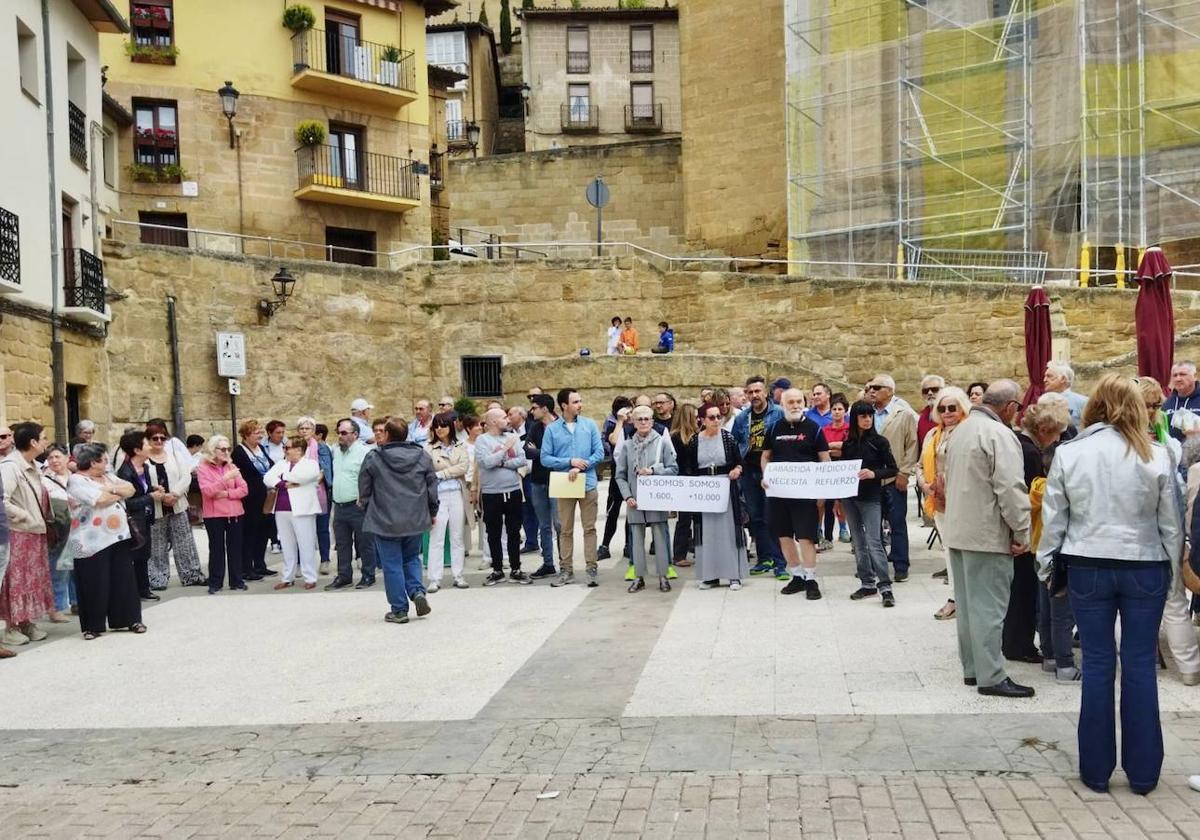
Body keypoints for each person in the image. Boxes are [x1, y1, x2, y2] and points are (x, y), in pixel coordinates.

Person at [1039, 373, 1181, 794]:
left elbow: (1055, 519)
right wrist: (1173, 578)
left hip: (1088, 562)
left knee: (1099, 664)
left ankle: (1096, 771)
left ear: (1095, 404)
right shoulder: (1155, 454)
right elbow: (1169, 523)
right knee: (1139, 665)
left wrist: (1048, 568)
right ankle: (1143, 773)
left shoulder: (1070, 452)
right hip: (1144, 564)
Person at [943, 380, 1034, 698]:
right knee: (989, 609)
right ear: (1010, 407)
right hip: (986, 532)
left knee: (968, 607)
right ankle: (991, 675)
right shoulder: (999, 434)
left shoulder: (961, 430)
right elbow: (1010, 488)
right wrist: (1022, 530)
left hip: (960, 530)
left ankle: (973, 668)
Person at [1021, 400, 1081, 683]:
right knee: (1061, 613)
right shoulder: (1055, 490)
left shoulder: (1036, 486)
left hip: (1038, 552)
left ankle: (1048, 656)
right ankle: (1064, 663)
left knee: (1043, 609)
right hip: (1059, 553)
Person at [359, 416, 437, 624]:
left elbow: (364, 489)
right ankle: (417, 592)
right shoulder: (421, 455)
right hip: (415, 517)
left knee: (391, 563)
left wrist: (367, 507)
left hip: (385, 518)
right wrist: (432, 510)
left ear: (387, 434)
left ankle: (399, 609)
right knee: (412, 558)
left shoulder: (374, 457)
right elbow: (431, 486)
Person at [65, 444, 145, 641]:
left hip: (118, 536)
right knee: (93, 582)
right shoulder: (76, 480)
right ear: (93, 462)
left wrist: (113, 489)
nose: (107, 463)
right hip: (89, 540)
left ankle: (129, 619)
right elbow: (99, 500)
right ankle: (93, 626)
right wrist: (116, 492)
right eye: (104, 459)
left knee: (123, 579)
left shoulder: (108, 476)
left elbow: (132, 488)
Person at [764, 388, 831, 599]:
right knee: (784, 536)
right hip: (779, 493)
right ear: (783, 405)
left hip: (806, 494)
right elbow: (766, 456)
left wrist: (822, 489)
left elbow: (825, 458)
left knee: (806, 537)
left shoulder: (814, 428)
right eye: (791, 402)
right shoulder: (773, 428)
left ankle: (811, 579)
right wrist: (766, 475)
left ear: (804, 403)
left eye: (799, 401)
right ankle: (797, 576)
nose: (795, 405)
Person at [918, 387, 972, 621]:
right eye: (943, 408)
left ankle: (969, 597)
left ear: (962, 408)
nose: (948, 412)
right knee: (949, 550)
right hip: (940, 502)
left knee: (968, 552)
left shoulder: (969, 432)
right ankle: (954, 597)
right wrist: (925, 485)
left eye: (953, 407)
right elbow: (919, 466)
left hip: (966, 502)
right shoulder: (933, 435)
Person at [541, 389, 605, 587]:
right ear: (563, 405)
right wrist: (569, 461)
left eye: (580, 401)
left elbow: (600, 453)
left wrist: (581, 465)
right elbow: (545, 458)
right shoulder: (552, 429)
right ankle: (566, 569)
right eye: (575, 401)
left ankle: (591, 568)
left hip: (587, 482)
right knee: (565, 529)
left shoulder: (589, 425)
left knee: (590, 528)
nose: (580, 404)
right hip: (565, 484)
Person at [0, 423, 54, 647]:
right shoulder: (10, 467)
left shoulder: (33, 464)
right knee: (16, 581)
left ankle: (25, 621)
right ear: (32, 442)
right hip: (18, 533)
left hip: (34, 532)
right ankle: (10, 626)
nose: (46, 441)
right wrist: (25, 516)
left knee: (30, 580)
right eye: (43, 437)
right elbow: (3, 500)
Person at [615, 405, 679, 592]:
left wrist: (653, 471)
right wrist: (627, 496)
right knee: (636, 538)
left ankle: (663, 576)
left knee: (660, 536)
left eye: (647, 419)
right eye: (639, 419)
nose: (643, 422)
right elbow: (620, 475)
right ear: (633, 422)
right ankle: (638, 577)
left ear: (652, 421)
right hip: (635, 499)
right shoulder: (627, 445)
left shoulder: (662, 443)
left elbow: (674, 469)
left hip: (656, 499)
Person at [841, 401, 899, 606]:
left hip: (872, 497)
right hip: (850, 497)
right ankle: (867, 583)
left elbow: (892, 468)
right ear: (855, 419)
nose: (867, 419)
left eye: (869, 416)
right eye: (862, 416)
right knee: (857, 541)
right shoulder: (847, 444)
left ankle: (885, 585)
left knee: (874, 542)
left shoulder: (880, 442)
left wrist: (874, 473)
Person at [685, 402, 748, 589]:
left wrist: (737, 470)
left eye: (718, 416)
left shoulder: (728, 438)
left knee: (728, 530)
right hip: (704, 489)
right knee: (707, 532)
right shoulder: (695, 441)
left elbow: (739, 461)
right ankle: (710, 575)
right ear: (703, 420)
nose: (716, 420)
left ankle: (733, 574)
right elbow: (689, 467)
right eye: (711, 417)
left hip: (725, 487)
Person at [733, 376, 786, 578]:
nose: (754, 395)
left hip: (771, 471)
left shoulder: (779, 413)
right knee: (756, 518)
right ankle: (764, 559)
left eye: (757, 391)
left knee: (773, 516)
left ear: (765, 393)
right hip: (749, 471)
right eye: (750, 392)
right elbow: (737, 442)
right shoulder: (742, 418)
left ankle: (780, 561)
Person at [868, 374, 919, 582]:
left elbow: (912, 445)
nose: (872, 390)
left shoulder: (903, 414)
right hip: (871, 479)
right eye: (870, 387)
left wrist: (904, 473)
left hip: (894, 478)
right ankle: (875, 565)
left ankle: (900, 564)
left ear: (889, 390)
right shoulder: (866, 414)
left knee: (897, 523)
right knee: (873, 526)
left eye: (877, 387)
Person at [144, 420, 206, 590]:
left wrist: (175, 494)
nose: (158, 441)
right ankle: (157, 578)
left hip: (177, 504)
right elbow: (141, 481)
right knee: (157, 545)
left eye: (162, 438)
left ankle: (191, 574)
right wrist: (161, 496)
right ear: (148, 439)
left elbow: (185, 476)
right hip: (156, 507)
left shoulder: (174, 455)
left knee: (184, 541)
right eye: (154, 438)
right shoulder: (144, 459)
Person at [476, 408, 532, 586]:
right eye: (503, 417)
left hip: (513, 490)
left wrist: (501, 462)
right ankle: (497, 569)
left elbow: (522, 460)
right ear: (493, 421)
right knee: (493, 532)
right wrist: (505, 451)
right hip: (491, 493)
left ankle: (516, 568)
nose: (508, 420)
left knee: (514, 531)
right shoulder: (482, 440)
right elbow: (486, 462)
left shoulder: (512, 437)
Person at [263, 437, 322, 590]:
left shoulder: (310, 464)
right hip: (282, 508)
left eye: (287, 447)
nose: (285, 450)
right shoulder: (282, 463)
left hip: (302, 509)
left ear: (298, 449)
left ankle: (310, 576)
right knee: (287, 544)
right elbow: (267, 477)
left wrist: (283, 477)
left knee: (306, 543)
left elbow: (303, 477)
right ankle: (287, 576)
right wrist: (283, 483)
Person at [327, 418, 376, 590]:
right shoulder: (337, 452)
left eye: (344, 433)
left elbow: (372, 478)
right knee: (342, 543)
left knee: (364, 542)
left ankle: (368, 575)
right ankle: (344, 576)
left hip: (358, 505)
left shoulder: (365, 452)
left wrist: (365, 497)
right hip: (339, 505)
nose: (339, 436)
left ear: (355, 435)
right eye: (338, 432)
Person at [197, 435, 249, 594]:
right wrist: (225, 479)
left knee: (235, 548)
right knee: (217, 549)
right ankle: (215, 583)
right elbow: (207, 492)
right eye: (223, 449)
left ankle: (237, 580)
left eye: (228, 449)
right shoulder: (203, 468)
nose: (227, 452)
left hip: (235, 513)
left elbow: (244, 489)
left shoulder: (232, 466)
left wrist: (226, 493)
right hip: (214, 515)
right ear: (213, 450)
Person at [425, 412, 469, 592]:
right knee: (437, 536)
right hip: (438, 496)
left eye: (443, 425)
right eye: (436, 426)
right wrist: (451, 470)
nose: (439, 429)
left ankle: (458, 574)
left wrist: (441, 473)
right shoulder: (428, 448)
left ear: (450, 426)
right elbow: (427, 471)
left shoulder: (460, 445)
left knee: (457, 535)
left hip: (457, 492)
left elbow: (464, 467)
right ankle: (434, 578)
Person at [116, 430, 158, 601]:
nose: (150, 446)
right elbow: (127, 502)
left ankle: (144, 588)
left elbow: (143, 489)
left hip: (146, 518)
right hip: (134, 520)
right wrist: (150, 497)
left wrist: (152, 490)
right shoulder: (125, 472)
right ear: (137, 450)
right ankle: (133, 590)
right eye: (146, 443)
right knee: (134, 555)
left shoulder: (145, 467)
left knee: (144, 554)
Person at [231, 420, 276, 580]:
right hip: (250, 498)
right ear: (246, 434)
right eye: (257, 432)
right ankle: (246, 568)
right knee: (250, 532)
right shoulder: (239, 452)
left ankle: (260, 564)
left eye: (260, 432)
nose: (260, 435)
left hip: (266, 496)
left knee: (264, 530)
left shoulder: (261, 448)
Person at [524, 394, 562, 578]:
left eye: (534, 408)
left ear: (545, 408)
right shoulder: (534, 427)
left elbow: (564, 452)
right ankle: (548, 563)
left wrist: (541, 452)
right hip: (538, 480)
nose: (532, 411)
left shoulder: (561, 426)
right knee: (544, 525)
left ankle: (565, 561)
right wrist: (548, 454)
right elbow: (527, 451)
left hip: (558, 479)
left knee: (561, 524)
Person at [41, 445, 75, 623]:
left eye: (58, 456)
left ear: (67, 457)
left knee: (76, 566)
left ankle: (77, 601)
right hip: (58, 529)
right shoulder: (44, 479)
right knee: (59, 568)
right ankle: (56, 608)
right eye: (51, 457)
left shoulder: (75, 477)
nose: (54, 460)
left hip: (78, 527)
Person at [599, 397, 634, 562]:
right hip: (617, 474)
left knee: (631, 512)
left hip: (632, 474)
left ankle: (629, 545)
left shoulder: (635, 426)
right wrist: (620, 421)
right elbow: (613, 440)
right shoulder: (613, 425)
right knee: (613, 511)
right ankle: (605, 546)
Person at [297, 417, 332, 576]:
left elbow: (324, 469)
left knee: (322, 528)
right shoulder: (295, 446)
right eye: (301, 428)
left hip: (318, 491)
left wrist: (312, 480)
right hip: (300, 492)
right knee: (301, 529)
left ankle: (325, 560)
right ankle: (301, 562)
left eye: (307, 428)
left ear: (313, 431)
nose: (304, 431)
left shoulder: (321, 447)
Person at [507, 405, 541, 557]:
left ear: (521, 415)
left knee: (536, 508)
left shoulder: (532, 428)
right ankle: (531, 541)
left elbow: (532, 452)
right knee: (524, 509)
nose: (508, 418)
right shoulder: (508, 433)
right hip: (516, 475)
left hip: (531, 474)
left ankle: (538, 540)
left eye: (510, 414)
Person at [670, 402, 700, 568]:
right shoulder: (676, 437)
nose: (698, 420)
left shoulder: (696, 435)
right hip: (683, 481)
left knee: (696, 519)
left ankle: (697, 549)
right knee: (685, 519)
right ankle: (679, 554)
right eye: (695, 417)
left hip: (693, 480)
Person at [1044, 361, 1088, 428]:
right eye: (1045, 376)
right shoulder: (1043, 402)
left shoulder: (1083, 402)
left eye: (1049, 376)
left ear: (1063, 379)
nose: (1044, 380)